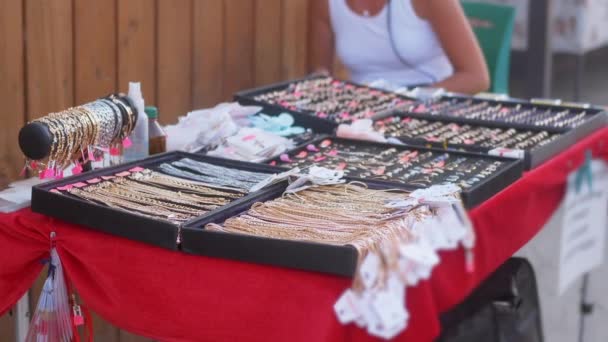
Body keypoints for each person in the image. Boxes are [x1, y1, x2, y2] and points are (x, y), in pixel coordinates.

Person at [309, 0, 490, 94]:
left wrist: (408, 99)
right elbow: (322, 72)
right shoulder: (326, 3)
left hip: (430, 104)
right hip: (364, 110)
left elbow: (476, 77)